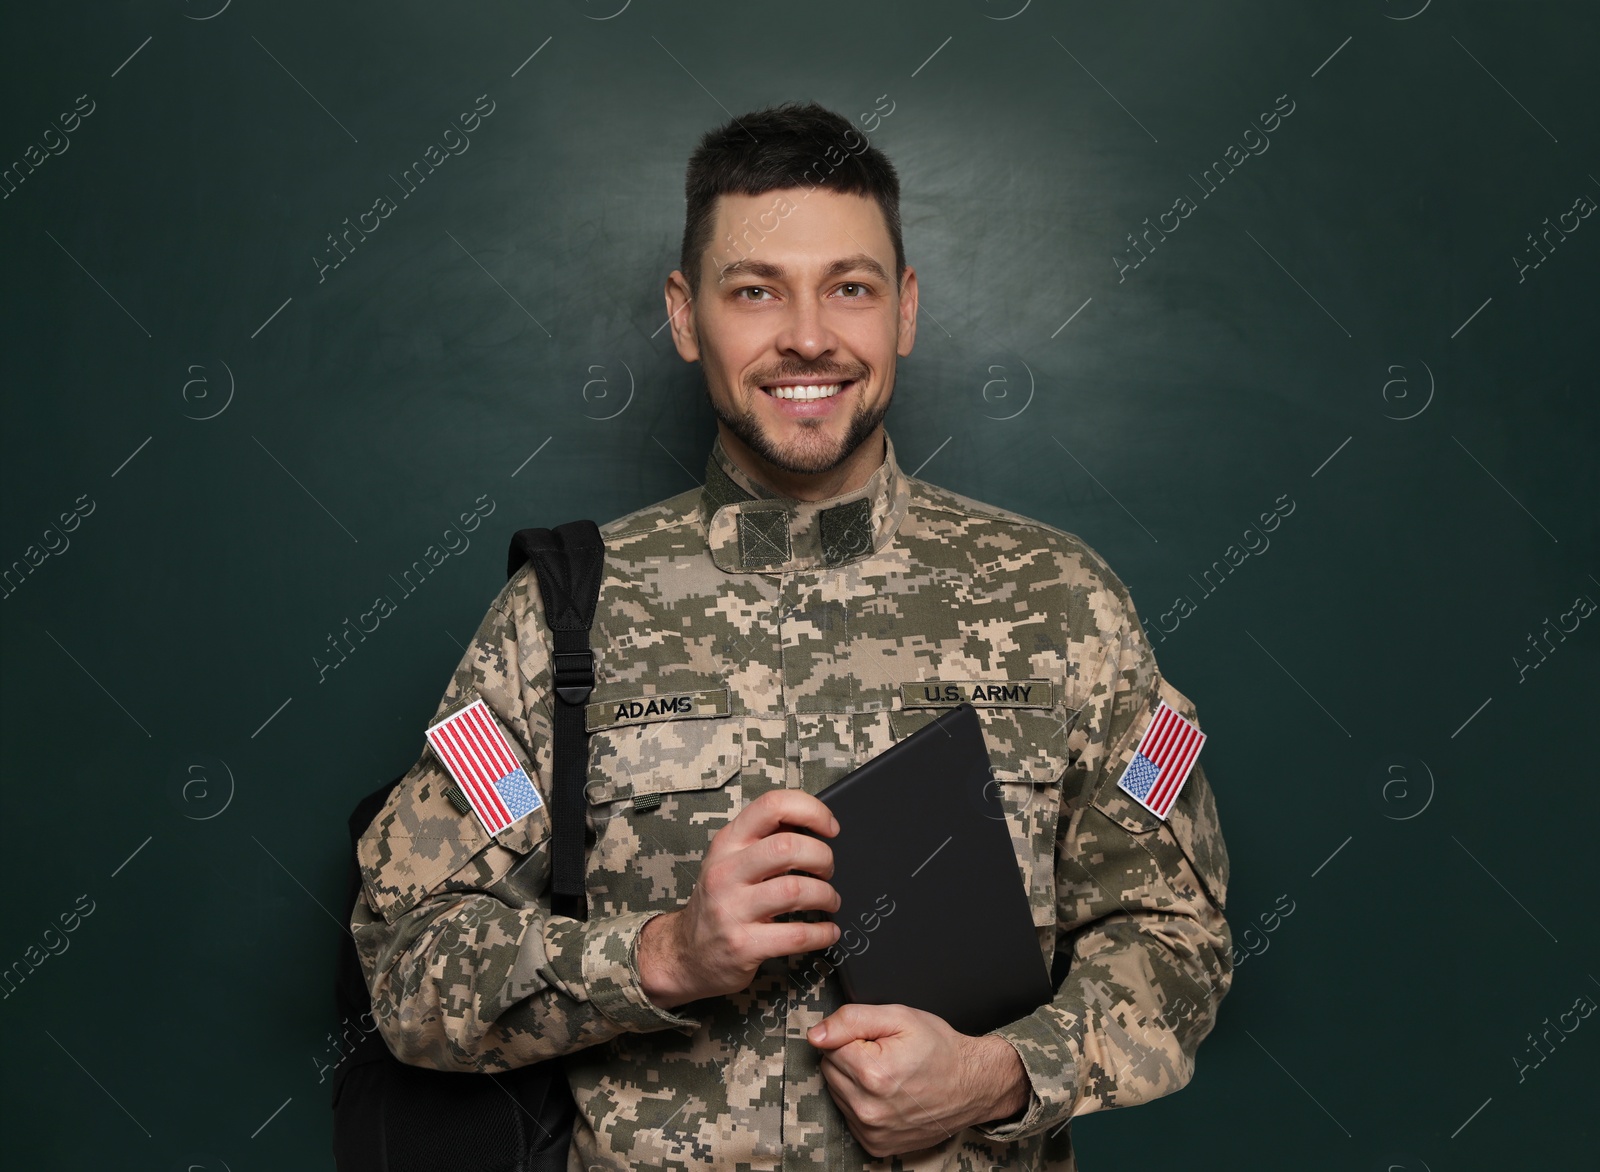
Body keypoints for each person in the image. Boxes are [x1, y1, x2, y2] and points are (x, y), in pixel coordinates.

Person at [351, 99, 1233, 1171]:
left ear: (904, 308)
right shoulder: (561, 619)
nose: (807, 335)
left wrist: (1002, 1072)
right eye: (755, 290)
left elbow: (1175, 937)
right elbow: (407, 961)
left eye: (849, 288)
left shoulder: (1061, 602)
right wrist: (662, 955)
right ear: (684, 315)